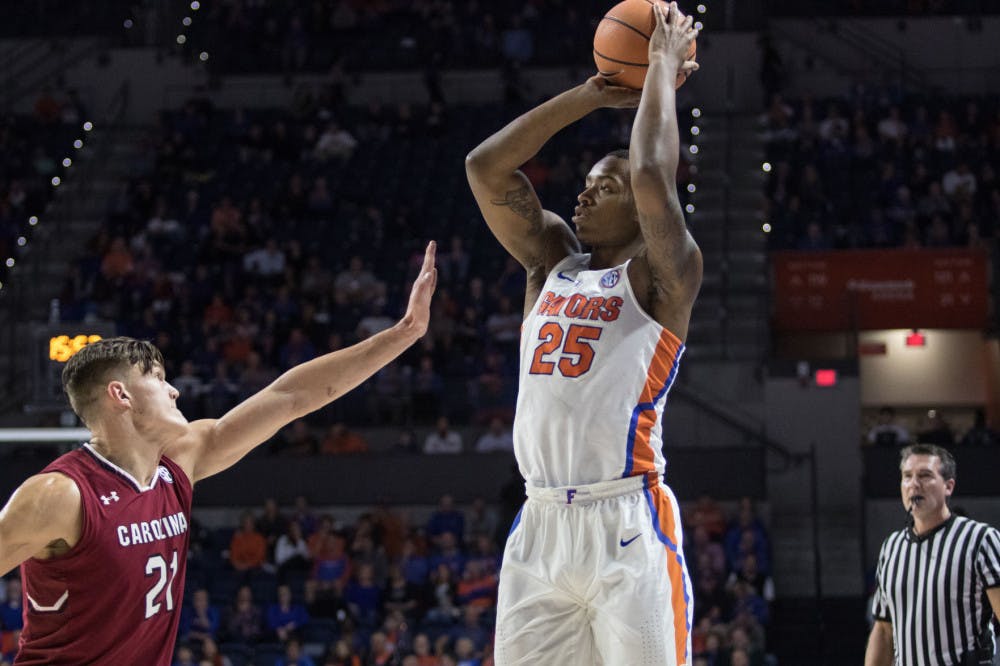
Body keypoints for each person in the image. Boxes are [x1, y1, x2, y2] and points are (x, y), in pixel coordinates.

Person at [0, 243, 437, 664]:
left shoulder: (179, 462)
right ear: (121, 395)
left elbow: (289, 397)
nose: (174, 389)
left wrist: (404, 333)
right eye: (157, 377)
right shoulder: (60, 495)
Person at [464, 4, 700, 664]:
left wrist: (658, 64)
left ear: (639, 209)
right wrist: (589, 97)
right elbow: (485, 168)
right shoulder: (550, 265)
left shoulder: (664, 275)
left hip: (627, 519)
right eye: (586, 184)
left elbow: (654, 174)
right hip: (540, 522)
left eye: (604, 187)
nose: (583, 196)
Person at [865, 444, 1000, 666]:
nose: (914, 484)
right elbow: (883, 630)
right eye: (907, 476)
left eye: (925, 475)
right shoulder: (891, 547)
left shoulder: (980, 538)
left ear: (949, 486)